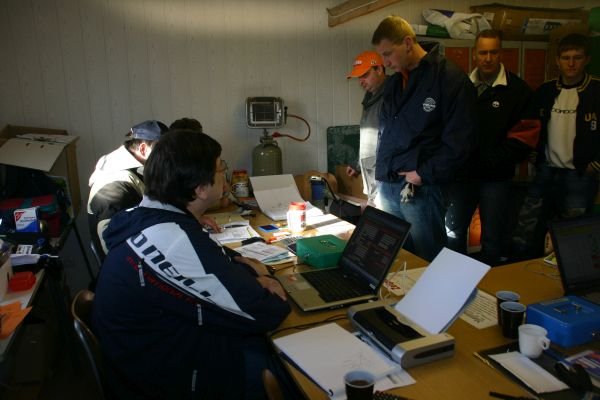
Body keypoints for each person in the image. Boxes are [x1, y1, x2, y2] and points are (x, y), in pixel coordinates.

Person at [92, 129, 291, 399]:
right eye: (221, 168)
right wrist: (268, 280)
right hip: (164, 378)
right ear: (200, 188)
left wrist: (250, 273)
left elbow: (223, 264)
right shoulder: (172, 240)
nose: (225, 174)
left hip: (156, 349)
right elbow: (265, 312)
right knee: (290, 370)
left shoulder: (148, 216)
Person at [371, 16, 476, 261]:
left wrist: (422, 174)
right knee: (397, 258)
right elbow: (385, 133)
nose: (385, 63)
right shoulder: (395, 83)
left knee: (428, 259)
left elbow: (460, 142)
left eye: (388, 54)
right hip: (389, 184)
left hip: (421, 188)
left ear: (408, 43)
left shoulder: (449, 79)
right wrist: (381, 177)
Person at [445, 29, 539, 265]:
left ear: (501, 54)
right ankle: (452, 280)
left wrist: (491, 161)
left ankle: (489, 283)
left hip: (496, 179)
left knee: (493, 238)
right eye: (483, 52)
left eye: (493, 52)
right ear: (474, 54)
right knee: (453, 233)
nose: (488, 58)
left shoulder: (518, 90)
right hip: (462, 177)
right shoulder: (460, 86)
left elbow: (525, 138)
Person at [512, 33, 600, 259]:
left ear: (587, 59)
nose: (571, 63)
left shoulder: (596, 91)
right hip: (546, 170)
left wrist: (596, 165)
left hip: (579, 174)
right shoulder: (546, 90)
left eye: (577, 58)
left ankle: (568, 272)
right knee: (527, 227)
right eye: (566, 58)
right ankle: (520, 268)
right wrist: (533, 153)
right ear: (557, 61)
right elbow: (530, 126)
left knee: (573, 233)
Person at [87, 120, 168, 261]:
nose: (168, 158)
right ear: (143, 149)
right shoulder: (115, 187)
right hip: (129, 268)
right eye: (164, 152)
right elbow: (117, 247)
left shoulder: (135, 168)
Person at [346, 51, 388, 204]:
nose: (361, 82)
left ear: (379, 69)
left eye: (364, 75)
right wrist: (357, 164)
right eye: (359, 77)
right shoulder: (370, 99)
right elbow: (369, 137)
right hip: (372, 178)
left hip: (385, 182)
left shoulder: (391, 97)